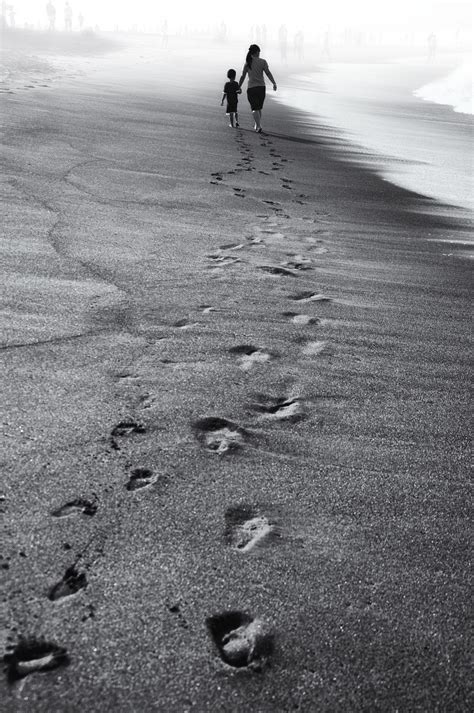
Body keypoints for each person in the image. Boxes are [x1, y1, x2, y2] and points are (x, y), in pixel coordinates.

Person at [238, 44, 276, 133]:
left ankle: (258, 125)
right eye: (259, 52)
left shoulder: (247, 63)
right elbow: (268, 73)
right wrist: (273, 83)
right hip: (261, 88)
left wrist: (238, 87)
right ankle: (258, 125)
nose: (259, 53)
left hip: (251, 88)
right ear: (257, 52)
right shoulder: (263, 62)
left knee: (255, 108)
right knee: (258, 108)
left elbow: (242, 76)